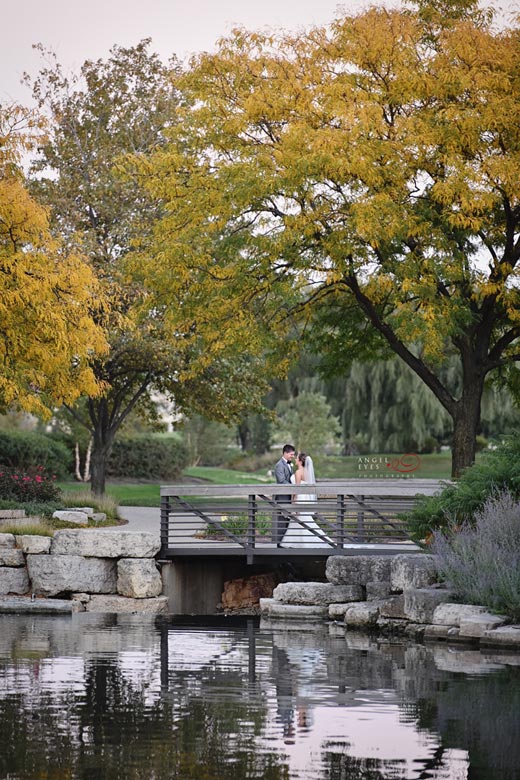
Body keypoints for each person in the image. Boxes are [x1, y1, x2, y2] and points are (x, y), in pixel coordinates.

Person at [281, 452, 333, 548]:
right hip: (305, 498)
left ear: (300, 461)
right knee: (304, 520)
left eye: (297, 458)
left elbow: (296, 489)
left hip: (299, 499)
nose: (295, 460)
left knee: (300, 520)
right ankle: (306, 541)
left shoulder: (298, 472)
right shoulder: (307, 472)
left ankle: (302, 542)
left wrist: (293, 502)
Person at [274, 444, 296, 544]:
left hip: (289, 497)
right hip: (282, 497)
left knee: (287, 520)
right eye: (291, 454)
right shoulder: (279, 465)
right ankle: (279, 543)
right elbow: (281, 481)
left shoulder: (290, 464)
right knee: (282, 520)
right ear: (285, 453)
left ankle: (285, 542)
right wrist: (294, 486)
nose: (293, 456)